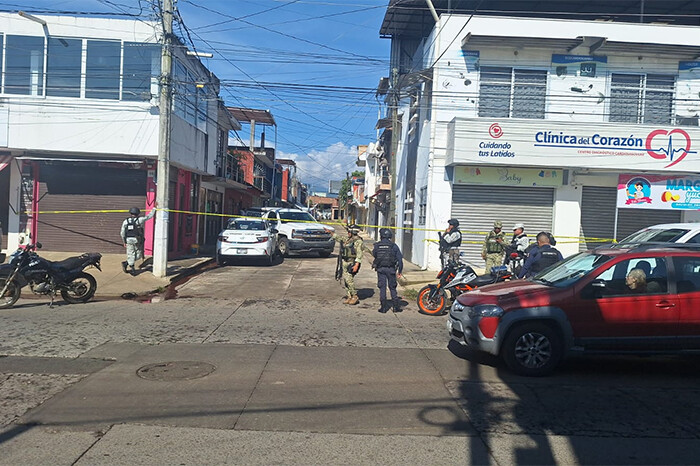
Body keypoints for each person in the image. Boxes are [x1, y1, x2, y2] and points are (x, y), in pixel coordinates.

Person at [372, 228, 404, 313]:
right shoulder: (394, 246)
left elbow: (374, 255)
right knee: (392, 288)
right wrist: (400, 271)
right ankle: (396, 307)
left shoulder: (377, 245)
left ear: (381, 236)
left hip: (381, 269)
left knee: (382, 288)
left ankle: (383, 308)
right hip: (391, 269)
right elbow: (400, 260)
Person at [120, 203, 156, 275]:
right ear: (138, 213)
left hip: (129, 240)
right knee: (138, 255)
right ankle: (132, 269)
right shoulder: (140, 220)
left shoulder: (125, 221)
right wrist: (154, 208)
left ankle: (127, 263)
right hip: (137, 240)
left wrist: (124, 241)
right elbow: (149, 216)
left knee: (131, 255)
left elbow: (122, 232)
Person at [333, 224, 364, 305]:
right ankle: (349, 296)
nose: (348, 233)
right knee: (345, 280)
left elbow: (359, 254)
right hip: (345, 262)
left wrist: (356, 265)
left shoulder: (358, 241)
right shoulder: (348, 239)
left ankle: (355, 296)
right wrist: (331, 233)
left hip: (352, 262)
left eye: (349, 231)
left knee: (349, 279)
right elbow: (340, 238)